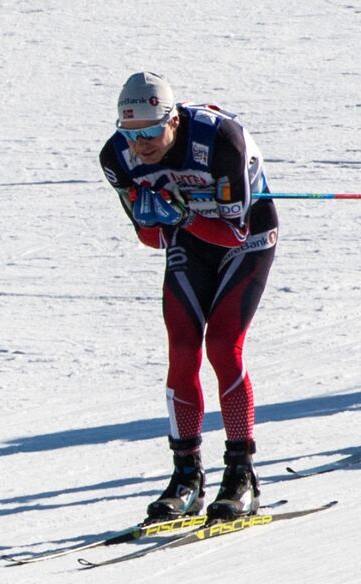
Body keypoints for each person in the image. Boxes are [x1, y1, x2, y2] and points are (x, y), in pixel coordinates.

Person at [100, 71, 279, 522]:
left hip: (247, 236)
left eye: (150, 131)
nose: (141, 143)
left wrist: (179, 212)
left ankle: (241, 474)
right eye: (131, 133)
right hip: (191, 238)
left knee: (222, 345)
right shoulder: (116, 157)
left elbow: (237, 231)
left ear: (173, 119)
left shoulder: (222, 140)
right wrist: (153, 219)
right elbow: (152, 240)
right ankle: (186, 476)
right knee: (181, 350)